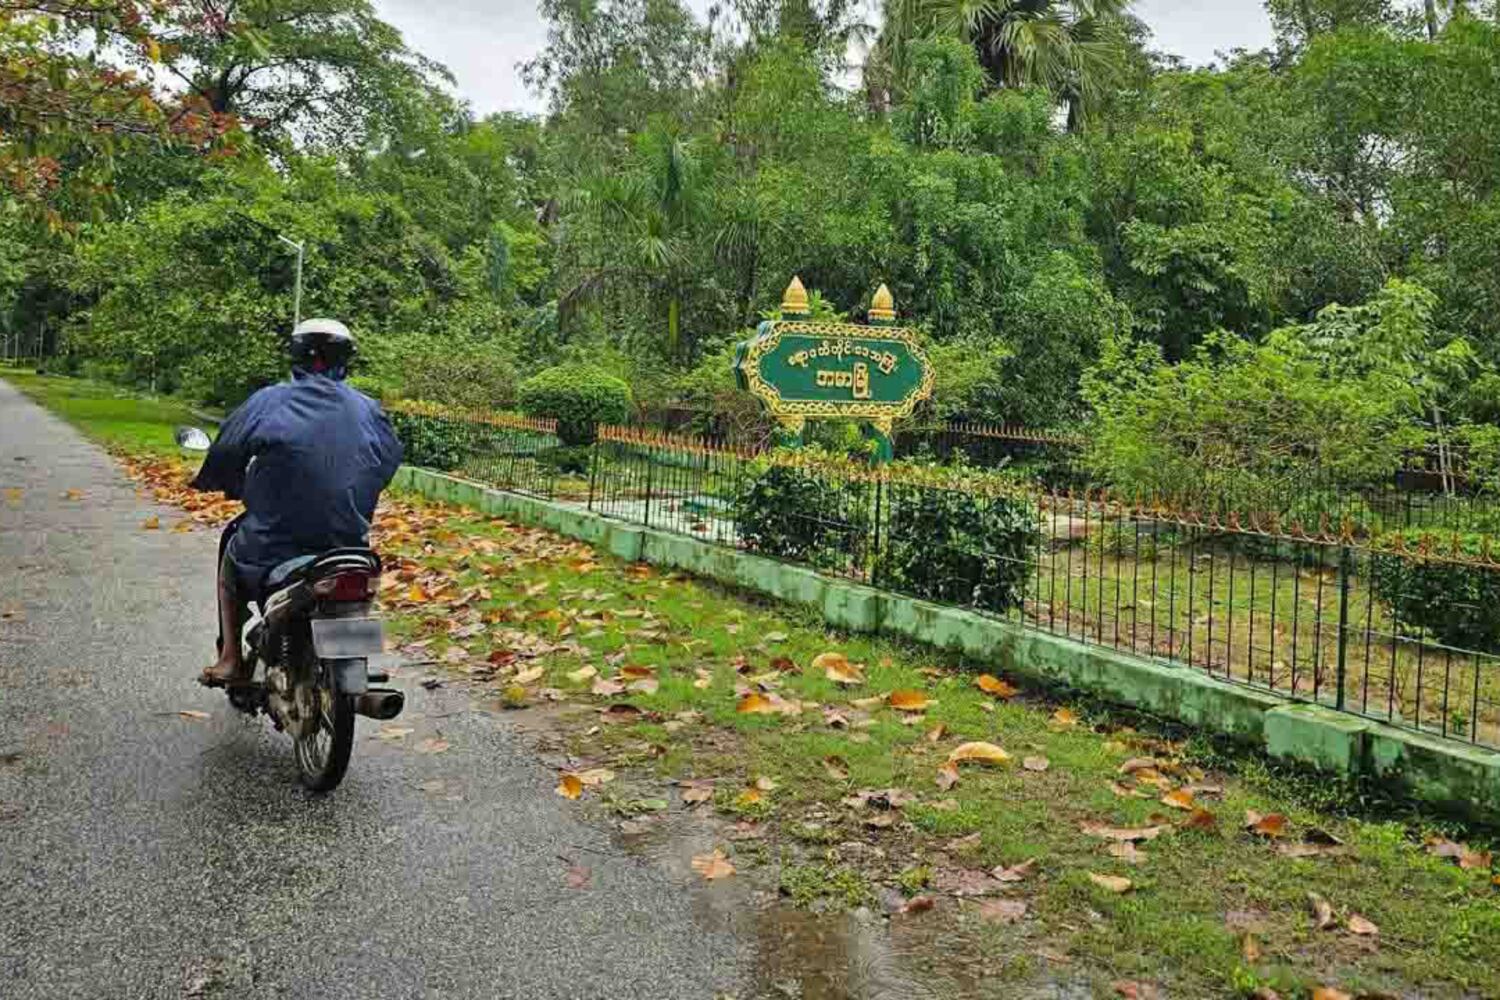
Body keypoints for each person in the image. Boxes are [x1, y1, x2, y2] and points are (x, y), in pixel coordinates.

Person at [192, 319, 403, 687]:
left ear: (296, 356)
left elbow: (226, 448)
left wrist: (227, 483)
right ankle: (354, 663)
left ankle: (230, 659)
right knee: (357, 578)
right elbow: (388, 460)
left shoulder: (269, 401)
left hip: (273, 543)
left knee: (231, 554)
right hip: (347, 544)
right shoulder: (369, 410)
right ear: (346, 360)